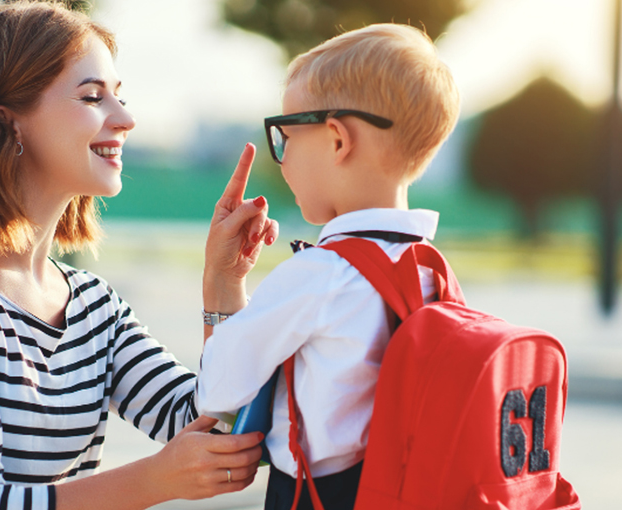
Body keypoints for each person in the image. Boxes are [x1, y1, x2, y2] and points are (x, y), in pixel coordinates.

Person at [0, 3, 279, 509]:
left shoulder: (92, 305)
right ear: (8, 119)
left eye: (119, 97)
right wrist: (154, 480)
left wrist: (223, 281)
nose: (125, 120)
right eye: (92, 97)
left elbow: (215, 426)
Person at [196, 24, 461, 510]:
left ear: (337, 139)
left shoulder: (320, 275)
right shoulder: (432, 272)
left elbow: (217, 393)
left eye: (288, 136)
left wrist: (222, 284)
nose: (282, 157)